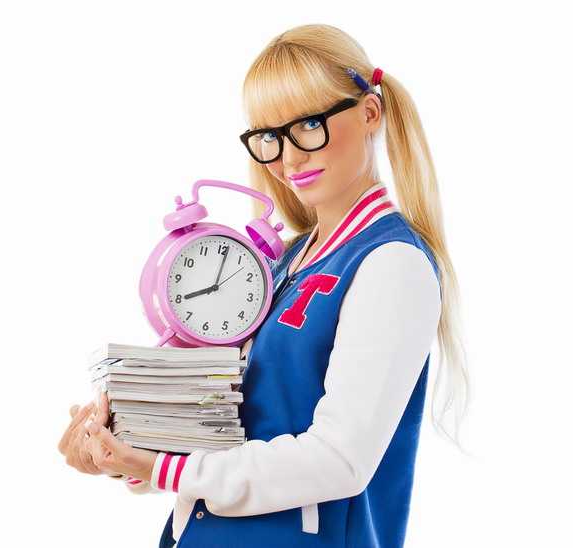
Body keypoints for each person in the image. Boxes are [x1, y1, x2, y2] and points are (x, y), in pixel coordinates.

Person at [58, 23, 469, 548]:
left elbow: (338, 459)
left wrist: (162, 468)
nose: (289, 158)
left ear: (370, 112)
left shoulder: (392, 264)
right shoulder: (281, 263)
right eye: (271, 136)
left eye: (310, 125)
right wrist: (122, 450)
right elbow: (230, 432)